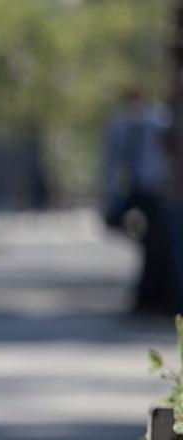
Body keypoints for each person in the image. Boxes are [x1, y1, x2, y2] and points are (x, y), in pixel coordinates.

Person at [102, 87, 174, 314]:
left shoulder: (159, 121)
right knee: (147, 241)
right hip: (137, 189)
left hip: (157, 189)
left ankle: (153, 294)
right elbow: (113, 159)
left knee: (157, 244)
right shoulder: (122, 124)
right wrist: (111, 192)